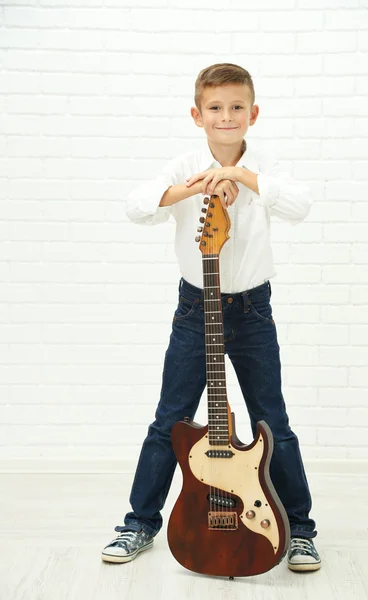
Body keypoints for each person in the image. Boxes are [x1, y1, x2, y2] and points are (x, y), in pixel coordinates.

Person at [101, 63, 321, 573]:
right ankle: (139, 524)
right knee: (170, 420)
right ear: (197, 115)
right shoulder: (182, 165)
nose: (227, 117)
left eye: (237, 107)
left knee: (274, 423)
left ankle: (300, 532)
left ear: (253, 113)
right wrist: (195, 187)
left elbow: (301, 205)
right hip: (195, 307)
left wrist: (241, 176)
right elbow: (137, 207)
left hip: (252, 309)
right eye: (216, 108)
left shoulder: (266, 164)